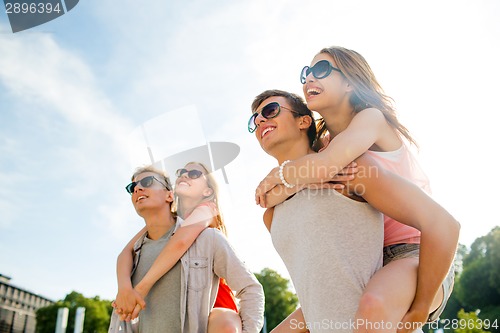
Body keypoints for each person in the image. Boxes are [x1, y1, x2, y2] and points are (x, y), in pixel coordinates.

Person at [249, 89, 459, 333]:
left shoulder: (348, 169)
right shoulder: (271, 214)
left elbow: (441, 223)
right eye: (254, 120)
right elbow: (317, 290)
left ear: (304, 121)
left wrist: (420, 310)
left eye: (270, 111)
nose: (260, 120)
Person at [109, 164, 264, 333]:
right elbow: (124, 253)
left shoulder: (206, 217)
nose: (137, 188)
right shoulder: (141, 246)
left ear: (169, 195)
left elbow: (180, 242)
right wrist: (124, 289)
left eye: (147, 182)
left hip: (216, 307)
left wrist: (139, 290)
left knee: (225, 320)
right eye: (132, 187)